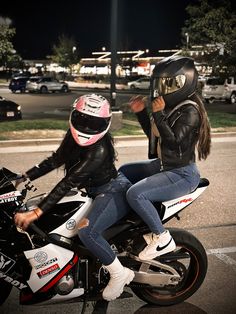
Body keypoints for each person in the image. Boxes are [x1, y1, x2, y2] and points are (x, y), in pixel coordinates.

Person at [14, 93, 134, 301]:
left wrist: (35, 212)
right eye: (82, 119)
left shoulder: (100, 149)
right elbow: (56, 159)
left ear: (105, 123)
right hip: (90, 190)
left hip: (111, 190)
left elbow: (68, 181)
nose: (86, 126)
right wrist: (25, 176)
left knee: (88, 233)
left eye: (93, 122)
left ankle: (119, 274)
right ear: (73, 116)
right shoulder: (72, 136)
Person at [123, 55, 211, 261]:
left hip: (181, 173)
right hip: (164, 166)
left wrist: (158, 114)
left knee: (136, 194)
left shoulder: (190, 111)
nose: (162, 89)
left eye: (168, 84)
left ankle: (162, 237)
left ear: (184, 82)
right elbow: (156, 136)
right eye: (161, 83)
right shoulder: (171, 107)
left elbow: (174, 143)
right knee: (125, 171)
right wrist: (142, 113)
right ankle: (129, 227)